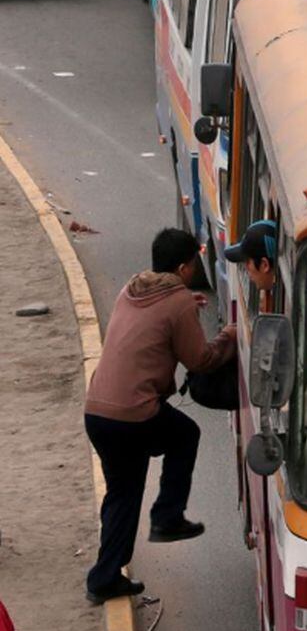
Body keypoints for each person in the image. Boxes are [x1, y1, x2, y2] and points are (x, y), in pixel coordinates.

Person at [83, 229, 237, 605]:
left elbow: (159, 320)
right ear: (184, 267)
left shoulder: (132, 288)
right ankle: (168, 516)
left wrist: (188, 307)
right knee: (185, 435)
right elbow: (200, 360)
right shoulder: (178, 302)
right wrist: (228, 336)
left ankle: (105, 576)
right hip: (134, 415)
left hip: (99, 410)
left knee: (122, 491)